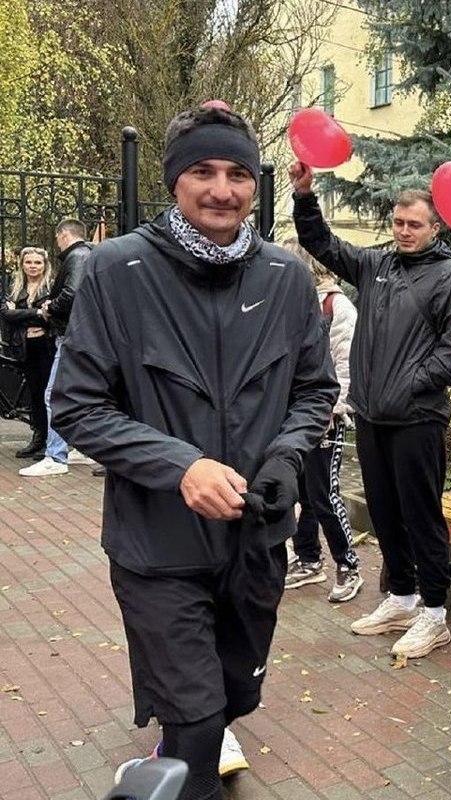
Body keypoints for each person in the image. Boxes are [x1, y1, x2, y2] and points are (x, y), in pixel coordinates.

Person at [50, 105, 338, 800]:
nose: (222, 189)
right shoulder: (119, 270)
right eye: (203, 171)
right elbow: (77, 407)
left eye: (238, 173)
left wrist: (283, 459)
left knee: (237, 694)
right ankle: (182, 761)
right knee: (199, 720)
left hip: (257, 541)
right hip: (158, 547)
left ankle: (187, 743)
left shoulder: (285, 277)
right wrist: (181, 466)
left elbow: (314, 391)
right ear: (175, 180)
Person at [289, 162, 451, 659]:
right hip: (371, 415)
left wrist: (412, 384)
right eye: (398, 223)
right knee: (386, 514)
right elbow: (322, 243)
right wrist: (304, 194)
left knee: (421, 516)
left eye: (415, 224)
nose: (405, 232)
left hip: (417, 418)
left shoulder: (449, 274)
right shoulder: (377, 266)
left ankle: (435, 614)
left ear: (435, 228)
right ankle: (403, 597)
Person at [278, 237, 363, 603]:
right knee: (301, 491)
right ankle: (309, 558)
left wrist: (333, 409)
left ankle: (349, 565)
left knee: (325, 493)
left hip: (327, 417)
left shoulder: (337, 307)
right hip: (294, 416)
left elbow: (346, 367)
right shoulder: (292, 304)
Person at [18, 218, 96, 477]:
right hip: (81, 335)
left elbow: (71, 293)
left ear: (63, 235)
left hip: (72, 336)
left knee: (54, 395)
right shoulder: (87, 255)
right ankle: (82, 450)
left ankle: (55, 456)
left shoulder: (77, 256)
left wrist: (50, 306)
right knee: (81, 395)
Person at [1, 246, 55, 462]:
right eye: (29, 262)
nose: (33, 266)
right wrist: (36, 312)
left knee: (48, 394)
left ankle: (52, 441)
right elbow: (6, 314)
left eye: (37, 263)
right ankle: (38, 438)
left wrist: (19, 312)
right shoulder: (14, 286)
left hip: (47, 346)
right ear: (22, 265)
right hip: (24, 346)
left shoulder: (51, 286)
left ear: (45, 265)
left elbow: (52, 316)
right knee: (34, 394)